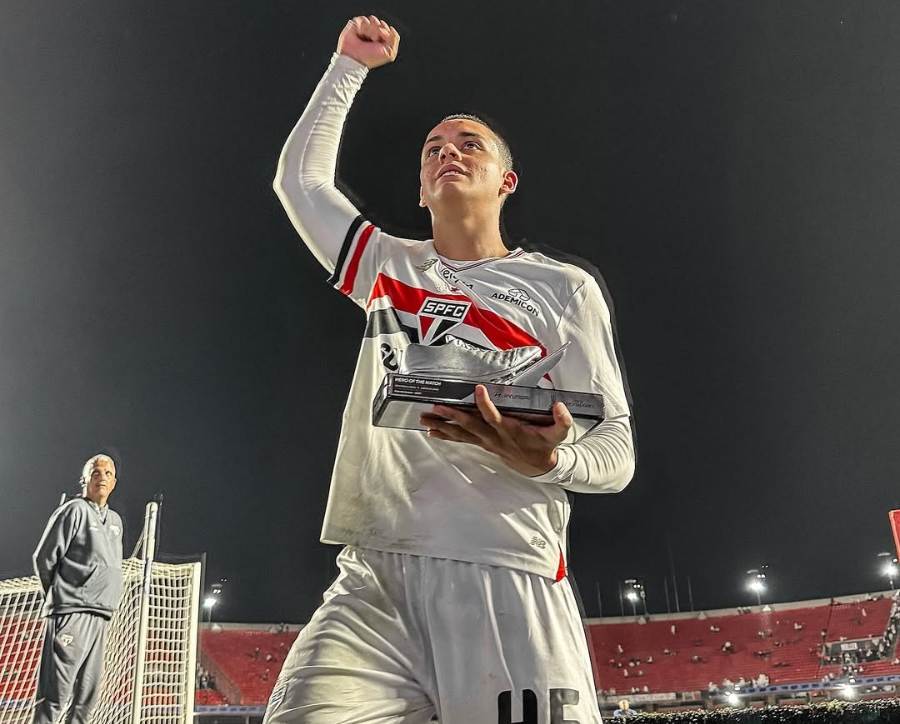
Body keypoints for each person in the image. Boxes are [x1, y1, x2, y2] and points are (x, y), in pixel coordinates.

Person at [264, 14, 635, 724]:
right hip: (374, 575)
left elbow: (615, 449)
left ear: (507, 181)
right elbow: (299, 181)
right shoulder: (386, 266)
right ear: (420, 188)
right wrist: (348, 67)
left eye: (470, 144)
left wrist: (550, 460)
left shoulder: (563, 290)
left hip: (507, 569)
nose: (447, 153)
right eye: (432, 148)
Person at [31, 454, 124, 724]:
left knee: (86, 700)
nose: (102, 478)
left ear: (114, 482)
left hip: (101, 615)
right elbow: (44, 558)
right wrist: (61, 596)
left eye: (108, 473)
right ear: (84, 480)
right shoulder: (73, 510)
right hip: (71, 613)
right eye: (96, 473)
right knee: (55, 697)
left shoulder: (115, 521)